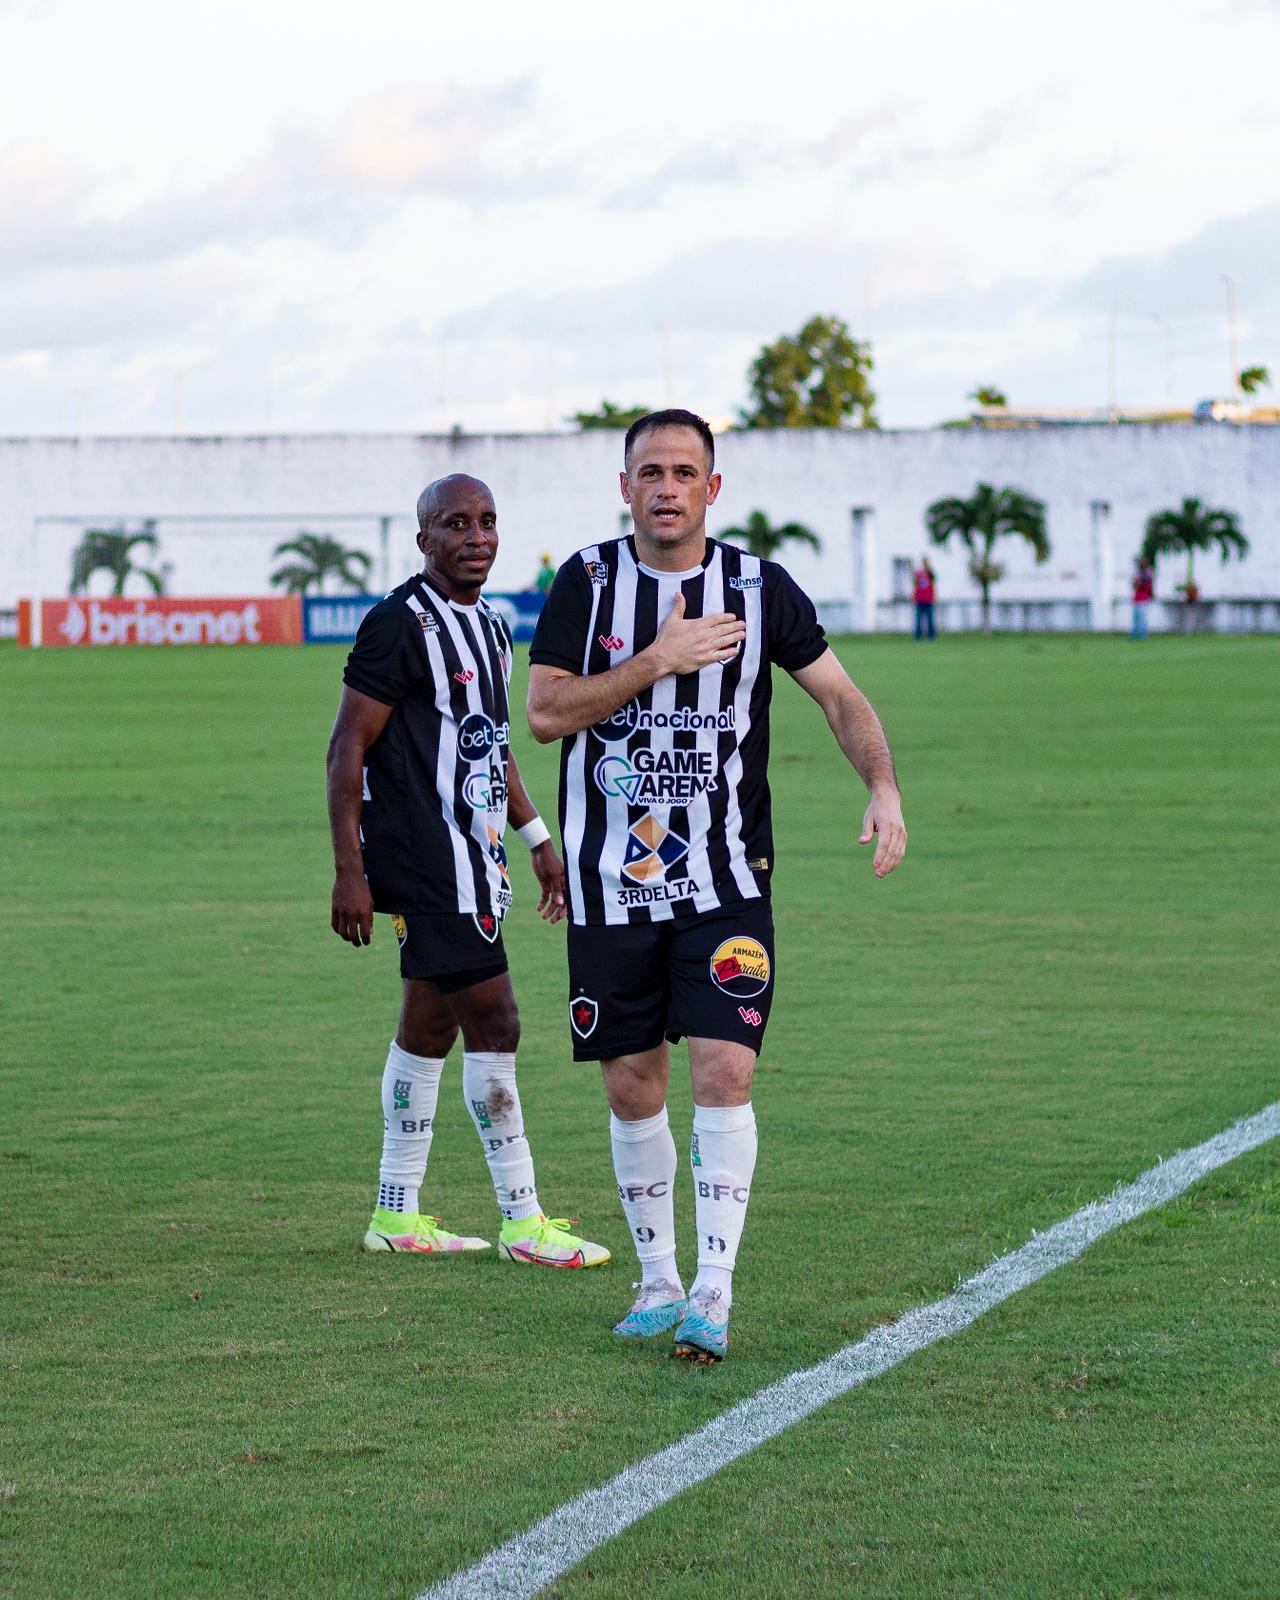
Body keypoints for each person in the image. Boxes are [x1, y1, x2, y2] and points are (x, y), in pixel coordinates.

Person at [526, 409, 906, 1360]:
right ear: (625, 487)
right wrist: (655, 659)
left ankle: (714, 1290)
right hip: (611, 885)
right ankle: (656, 1281)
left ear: (712, 488)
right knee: (630, 1085)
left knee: (725, 1070)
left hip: (726, 881)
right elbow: (543, 713)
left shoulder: (759, 587)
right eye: (648, 470)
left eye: (684, 471)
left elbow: (839, 694)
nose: (665, 486)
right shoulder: (585, 582)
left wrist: (884, 784)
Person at [327, 473, 609, 1268]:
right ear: (424, 539)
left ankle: (394, 1212)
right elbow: (346, 748)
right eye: (456, 524)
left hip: (475, 855)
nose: (476, 537)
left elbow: (488, 742)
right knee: (498, 1020)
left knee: (430, 1027)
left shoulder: (490, 625)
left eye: (487, 522)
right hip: (425, 860)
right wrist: (351, 870)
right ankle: (523, 1222)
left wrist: (536, 836)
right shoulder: (396, 625)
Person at [913, 558, 936, 640]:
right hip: (919, 599)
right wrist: (913, 595)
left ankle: (931, 635)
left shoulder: (930, 573)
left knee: (930, 618)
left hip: (928, 599)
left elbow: (933, 585)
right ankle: (917, 636)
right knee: (918, 619)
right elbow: (915, 585)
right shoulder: (918, 573)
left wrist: (934, 597)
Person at [1132, 558, 1155, 639]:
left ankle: (1142, 635)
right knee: (1136, 618)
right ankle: (1135, 634)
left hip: (1143, 599)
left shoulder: (1147, 574)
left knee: (1142, 619)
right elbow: (1134, 585)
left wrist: (1137, 582)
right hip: (1137, 599)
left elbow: (1140, 585)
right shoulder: (1139, 574)